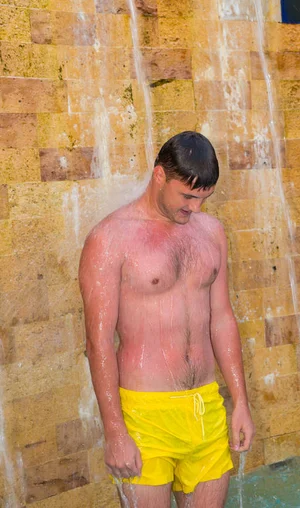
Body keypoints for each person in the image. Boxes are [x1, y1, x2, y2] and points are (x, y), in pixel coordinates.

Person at [79, 131, 254, 508]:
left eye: (204, 198)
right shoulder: (110, 238)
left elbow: (221, 318)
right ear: (159, 176)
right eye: (187, 196)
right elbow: (98, 342)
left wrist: (240, 401)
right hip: (145, 415)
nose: (195, 209)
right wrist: (115, 431)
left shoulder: (211, 233)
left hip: (205, 407)